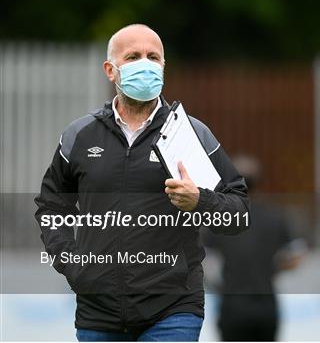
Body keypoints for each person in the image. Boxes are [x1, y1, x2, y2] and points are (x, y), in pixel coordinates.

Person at [34, 24, 250, 342]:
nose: (145, 64)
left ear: (163, 66)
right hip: (99, 312)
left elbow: (239, 212)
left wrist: (200, 202)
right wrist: (75, 266)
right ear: (111, 70)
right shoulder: (79, 136)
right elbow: (52, 207)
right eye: (133, 56)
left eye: (153, 56)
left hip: (174, 310)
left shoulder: (191, 135)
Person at [204, 154, 305, 341]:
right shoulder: (276, 218)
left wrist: (217, 284)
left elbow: (203, 260)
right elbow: (297, 255)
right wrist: (272, 268)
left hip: (232, 306)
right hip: (266, 306)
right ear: (259, 182)